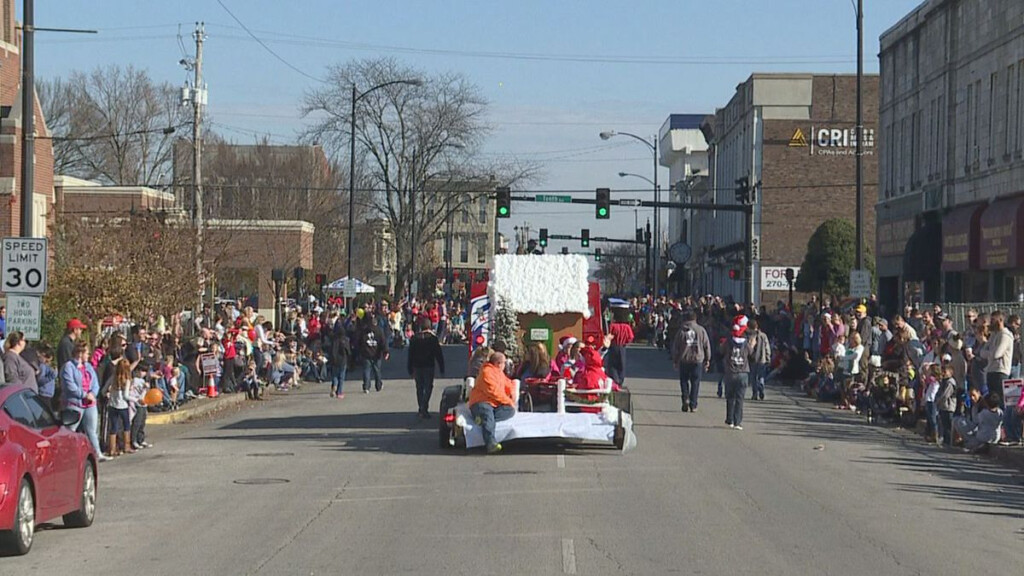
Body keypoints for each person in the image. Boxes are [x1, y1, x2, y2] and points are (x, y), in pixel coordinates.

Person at [62, 341, 108, 461]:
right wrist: (84, 395)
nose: (88, 355)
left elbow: (95, 384)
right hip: (75, 403)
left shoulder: (88, 367)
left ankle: (97, 453)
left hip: (90, 404)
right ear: (80, 353)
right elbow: (69, 385)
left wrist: (92, 394)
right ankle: (67, 456)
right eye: (87, 353)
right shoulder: (68, 367)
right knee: (71, 430)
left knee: (92, 430)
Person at [468, 352, 517, 454]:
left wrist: (511, 392)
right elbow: (494, 392)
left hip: (495, 404)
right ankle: (490, 444)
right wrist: (509, 401)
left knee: (510, 411)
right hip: (481, 402)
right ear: (498, 363)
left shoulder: (498, 372)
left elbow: (508, 383)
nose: (505, 365)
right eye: (504, 363)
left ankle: (481, 419)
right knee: (488, 415)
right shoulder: (487, 372)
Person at [671, 309, 711, 412]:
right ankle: (693, 404)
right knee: (695, 382)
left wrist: (675, 360)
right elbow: (706, 345)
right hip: (697, 359)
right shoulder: (701, 330)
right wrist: (707, 359)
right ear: (695, 318)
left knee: (684, 381)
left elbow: (676, 346)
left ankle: (685, 398)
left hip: (684, 359)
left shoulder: (681, 331)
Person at [721, 316, 756, 430]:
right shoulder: (746, 343)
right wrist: (752, 345)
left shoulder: (729, 341)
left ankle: (729, 419)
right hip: (743, 371)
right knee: (740, 398)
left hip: (730, 371)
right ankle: (738, 421)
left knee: (730, 396)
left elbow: (721, 351)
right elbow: (752, 355)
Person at [407, 318, 446, 418]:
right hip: (429, 365)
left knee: (419, 387)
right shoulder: (432, 339)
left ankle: (421, 407)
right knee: (428, 387)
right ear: (430, 327)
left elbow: (410, 354)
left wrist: (409, 368)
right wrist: (441, 367)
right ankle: (424, 406)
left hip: (417, 366)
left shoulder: (414, 338)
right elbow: (438, 354)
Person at [104, 359, 134, 458]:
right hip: (123, 405)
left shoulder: (113, 378)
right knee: (126, 425)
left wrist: (108, 394)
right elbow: (126, 396)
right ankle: (127, 446)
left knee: (114, 426)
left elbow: (103, 390)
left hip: (112, 405)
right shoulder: (127, 380)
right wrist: (135, 399)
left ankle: (112, 449)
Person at [982, 310, 1012, 405]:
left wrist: (988, 353)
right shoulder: (994, 335)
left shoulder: (1005, 335)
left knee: (1000, 401)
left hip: (1000, 372)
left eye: (993, 320)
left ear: (1000, 320)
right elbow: (982, 352)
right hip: (990, 371)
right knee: (991, 402)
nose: (990, 323)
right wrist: (989, 353)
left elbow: (997, 354)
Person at [357, 312, 388, 393]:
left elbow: (359, 341)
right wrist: (385, 351)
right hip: (376, 353)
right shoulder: (379, 331)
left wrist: (360, 350)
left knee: (367, 370)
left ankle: (366, 387)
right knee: (377, 370)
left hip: (366, 353)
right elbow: (383, 342)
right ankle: (378, 385)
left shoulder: (364, 331)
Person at [327, 319, 350, 399]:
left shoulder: (333, 338)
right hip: (343, 359)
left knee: (334, 375)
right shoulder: (345, 339)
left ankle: (334, 385)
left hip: (334, 359)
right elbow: (348, 350)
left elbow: (330, 349)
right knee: (341, 376)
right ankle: (339, 392)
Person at [748, 319, 771, 401]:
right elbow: (767, 347)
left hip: (753, 359)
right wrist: (768, 357)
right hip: (762, 358)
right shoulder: (763, 336)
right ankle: (761, 386)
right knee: (761, 376)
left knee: (753, 376)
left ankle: (755, 393)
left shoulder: (749, 336)